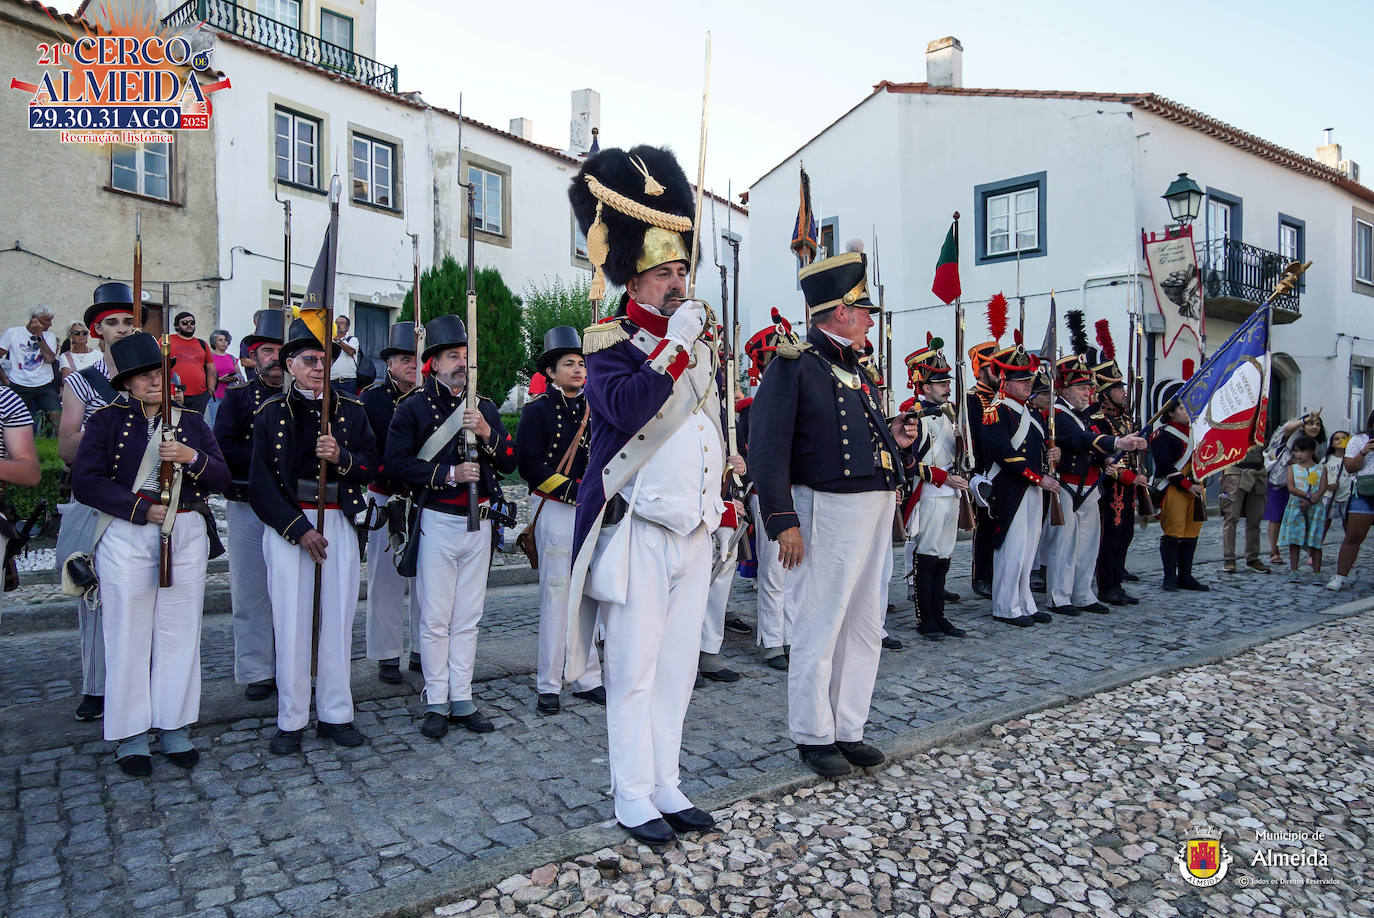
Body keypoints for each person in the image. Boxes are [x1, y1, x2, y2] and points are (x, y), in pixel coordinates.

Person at [565, 143, 735, 847]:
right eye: (664, 272)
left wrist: (726, 503)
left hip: (693, 533)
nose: (677, 282)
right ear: (635, 279)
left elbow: (710, 431)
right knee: (632, 672)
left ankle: (666, 781)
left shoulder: (696, 349)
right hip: (638, 531)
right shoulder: (610, 344)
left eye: (680, 271)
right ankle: (632, 793)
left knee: (678, 670)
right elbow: (630, 410)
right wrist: (674, 348)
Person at [750, 246, 920, 780]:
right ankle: (812, 733)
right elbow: (766, 447)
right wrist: (782, 519)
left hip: (870, 505)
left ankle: (849, 727)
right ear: (841, 310)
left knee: (865, 625)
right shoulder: (795, 364)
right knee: (819, 625)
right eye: (866, 310)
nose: (871, 319)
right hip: (825, 506)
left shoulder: (856, 369)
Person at [70, 331, 229, 776]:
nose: (151, 382)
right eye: (140, 377)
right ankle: (131, 733)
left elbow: (220, 476)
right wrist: (143, 509)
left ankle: (174, 724)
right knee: (128, 634)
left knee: (179, 633)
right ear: (126, 384)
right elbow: (87, 482)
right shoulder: (105, 422)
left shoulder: (192, 422)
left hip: (185, 532)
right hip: (126, 534)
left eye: (155, 373)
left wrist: (189, 456)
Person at [249, 319, 378, 755]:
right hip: (289, 525)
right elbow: (261, 484)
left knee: (337, 617)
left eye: (326, 359)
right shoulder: (270, 413)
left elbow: (371, 466)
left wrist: (340, 456)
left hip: (337, 520)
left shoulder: (352, 410)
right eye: (310, 359)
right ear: (289, 364)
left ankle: (336, 712)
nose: (319, 367)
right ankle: (292, 717)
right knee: (290, 620)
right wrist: (298, 529)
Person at [385, 315, 516, 739]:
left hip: (479, 525)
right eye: (453, 356)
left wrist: (487, 434)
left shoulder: (486, 408)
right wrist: (447, 474)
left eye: (465, 356)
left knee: (469, 617)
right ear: (434, 364)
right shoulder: (413, 408)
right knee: (436, 618)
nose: (461, 363)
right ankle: (436, 700)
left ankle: (463, 696)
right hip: (438, 520)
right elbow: (396, 464)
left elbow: (509, 464)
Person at [58, 283, 147, 723]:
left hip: (141, 497)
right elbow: (67, 446)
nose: (122, 328)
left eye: (129, 321)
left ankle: (140, 683)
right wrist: (108, 424)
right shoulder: (82, 380)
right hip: (96, 500)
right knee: (93, 594)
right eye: (112, 322)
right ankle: (96, 686)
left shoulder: (152, 377)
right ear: (97, 330)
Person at [516, 325, 604, 714]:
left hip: (594, 510)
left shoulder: (597, 406)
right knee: (556, 599)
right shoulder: (537, 411)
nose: (578, 370)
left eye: (582, 363)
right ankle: (549, 684)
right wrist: (573, 491)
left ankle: (587, 677)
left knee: (589, 598)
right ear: (551, 371)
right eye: (569, 364)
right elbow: (528, 465)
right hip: (558, 507)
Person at [211, 311, 286, 702]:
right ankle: (258, 669)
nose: (275, 358)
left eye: (281, 351)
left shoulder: (306, 398)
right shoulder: (238, 399)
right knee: (251, 590)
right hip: (249, 503)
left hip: (296, 507)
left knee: (294, 592)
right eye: (267, 350)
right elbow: (222, 447)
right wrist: (273, 457)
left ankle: (294, 663)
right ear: (253, 356)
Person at [1043, 343, 1147, 618]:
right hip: (1067, 487)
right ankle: (1059, 596)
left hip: (1090, 487)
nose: (1088, 392)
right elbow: (1081, 440)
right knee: (1065, 545)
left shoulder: (1083, 415)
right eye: (1081, 388)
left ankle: (1083, 594)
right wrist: (1117, 442)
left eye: (1088, 387)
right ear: (1064, 390)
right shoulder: (1058, 415)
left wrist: (1106, 460)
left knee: (1088, 546)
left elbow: (1091, 445)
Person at [980, 338, 1062, 626]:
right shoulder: (996, 411)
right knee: (1012, 549)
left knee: (1029, 550)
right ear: (1004, 380)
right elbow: (1004, 454)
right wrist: (1038, 478)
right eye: (1020, 380)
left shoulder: (1032, 413)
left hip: (1032, 487)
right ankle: (1006, 606)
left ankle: (1025, 602)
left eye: (1028, 379)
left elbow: (1036, 450)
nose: (1027, 384)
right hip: (1010, 487)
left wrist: (1054, 453)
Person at [360, 321, 420, 686]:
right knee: (384, 579)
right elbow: (365, 446)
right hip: (385, 495)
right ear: (390, 364)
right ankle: (386, 654)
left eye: (416, 358)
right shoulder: (371, 399)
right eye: (403, 358)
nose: (411, 365)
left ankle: (421, 649)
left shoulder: (432, 398)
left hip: (424, 498)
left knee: (426, 581)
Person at [902, 335, 972, 640]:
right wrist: (945, 478)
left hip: (952, 492)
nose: (947, 386)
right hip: (930, 492)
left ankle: (940, 615)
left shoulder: (952, 413)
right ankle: (925, 618)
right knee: (927, 555)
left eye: (947, 381)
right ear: (924, 385)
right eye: (940, 381)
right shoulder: (913, 415)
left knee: (944, 556)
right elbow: (908, 462)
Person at [740, 317, 789, 670]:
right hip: (768, 492)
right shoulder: (751, 409)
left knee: (799, 571)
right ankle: (773, 640)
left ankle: (793, 633)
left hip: (802, 490)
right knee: (774, 570)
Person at [1088, 331, 1150, 604]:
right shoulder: (1097, 419)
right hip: (1110, 486)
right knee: (1109, 537)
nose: (1123, 392)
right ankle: (1106, 585)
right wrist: (1130, 477)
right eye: (1117, 388)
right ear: (1105, 392)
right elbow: (1102, 455)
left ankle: (1117, 580)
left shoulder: (1126, 417)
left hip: (1129, 488)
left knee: (1125, 534)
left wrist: (1141, 468)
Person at [965, 294, 1008, 600]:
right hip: (982, 469)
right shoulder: (970, 398)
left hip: (1004, 468)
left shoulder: (1004, 400)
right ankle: (983, 576)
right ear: (981, 369)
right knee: (985, 526)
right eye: (995, 368)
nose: (1000, 372)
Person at [1150, 375, 1209, 592]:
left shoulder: (1197, 432)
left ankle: (1186, 576)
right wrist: (1187, 485)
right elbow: (1164, 466)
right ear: (1170, 412)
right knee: (1174, 533)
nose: (1187, 411)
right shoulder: (1163, 435)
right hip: (1174, 488)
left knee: (1192, 533)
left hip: (1195, 486)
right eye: (1182, 408)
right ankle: (1170, 577)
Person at [1264, 410, 1326, 565]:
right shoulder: (1291, 437)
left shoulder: (1320, 445)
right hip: (1280, 481)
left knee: (1306, 516)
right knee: (1276, 517)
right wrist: (1305, 419)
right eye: (1311, 423)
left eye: (1317, 424)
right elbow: (1287, 429)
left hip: (1305, 486)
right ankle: (1274, 551)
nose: (1314, 426)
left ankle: (1309, 550)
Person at [1328, 415, 1374, 591]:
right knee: (1354, 536)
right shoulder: (1357, 441)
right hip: (1363, 491)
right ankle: (1340, 577)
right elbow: (1349, 467)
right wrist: (1363, 452)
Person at [0, 305, 60, 430]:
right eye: (47, 320)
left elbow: (49, 359)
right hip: (18, 384)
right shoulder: (13, 333)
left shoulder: (49, 336)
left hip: (44, 384)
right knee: (15, 422)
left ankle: (62, 448)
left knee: (57, 419)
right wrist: (5, 380)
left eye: (51, 320)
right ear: (34, 319)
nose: (50, 324)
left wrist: (39, 335)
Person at [1278, 435, 1326, 581]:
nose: (1298, 454)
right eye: (1296, 451)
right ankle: (1294, 570)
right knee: (1295, 540)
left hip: (1315, 509)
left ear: (1312, 451)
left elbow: (1323, 488)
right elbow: (1291, 487)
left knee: (1315, 541)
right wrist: (1307, 495)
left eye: (1302, 451)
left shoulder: (1321, 469)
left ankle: (1317, 572)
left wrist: (1313, 499)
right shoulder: (1293, 469)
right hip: (1296, 506)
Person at [1218, 445, 1269, 574]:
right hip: (1235, 470)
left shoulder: (1263, 424)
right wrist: (1221, 470)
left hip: (1258, 471)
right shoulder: (1232, 423)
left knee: (1255, 519)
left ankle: (1252, 558)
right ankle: (1229, 558)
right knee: (1231, 517)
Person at [167, 311, 216, 415]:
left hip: (199, 395)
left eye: (192, 322)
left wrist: (210, 391)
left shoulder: (202, 343)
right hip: (174, 393)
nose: (189, 325)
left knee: (195, 425)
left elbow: (210, 367)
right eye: (184, 323)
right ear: (177, 326)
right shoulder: (167, 340)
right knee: (175, 424)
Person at [1321, 432, 1353, 543]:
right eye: (1337, 439)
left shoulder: (1352, 459)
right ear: (1332, 443)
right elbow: (1318, 478)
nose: (1340, 440)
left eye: (1344, 438)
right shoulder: (1326, 460)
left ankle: (1349, 548)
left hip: (1347, 496)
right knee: (1324, 524)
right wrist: (1327, 486)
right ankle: (1315, 550)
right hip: (1329, 496)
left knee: (1348, 526)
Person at [206, 329, 239, 425]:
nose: (224, 342)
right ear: (214, 342)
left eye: (226, 340)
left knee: (231, 421)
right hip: (215, 395)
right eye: (220, 340)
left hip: (230, 394)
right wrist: (219, 379)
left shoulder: (231, 358)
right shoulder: (209, 358)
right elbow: (205, 376)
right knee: (215, 422)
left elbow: (239, 375)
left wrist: (234, 378)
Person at [330, 315, 361, 396]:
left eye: (341, 323)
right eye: (336, 322)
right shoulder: (329, 341)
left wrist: (339, 340)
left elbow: (351, 351)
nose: (338, 325)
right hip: (332, 381)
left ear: (347, 327)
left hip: (348, 382)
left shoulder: (353, 340)